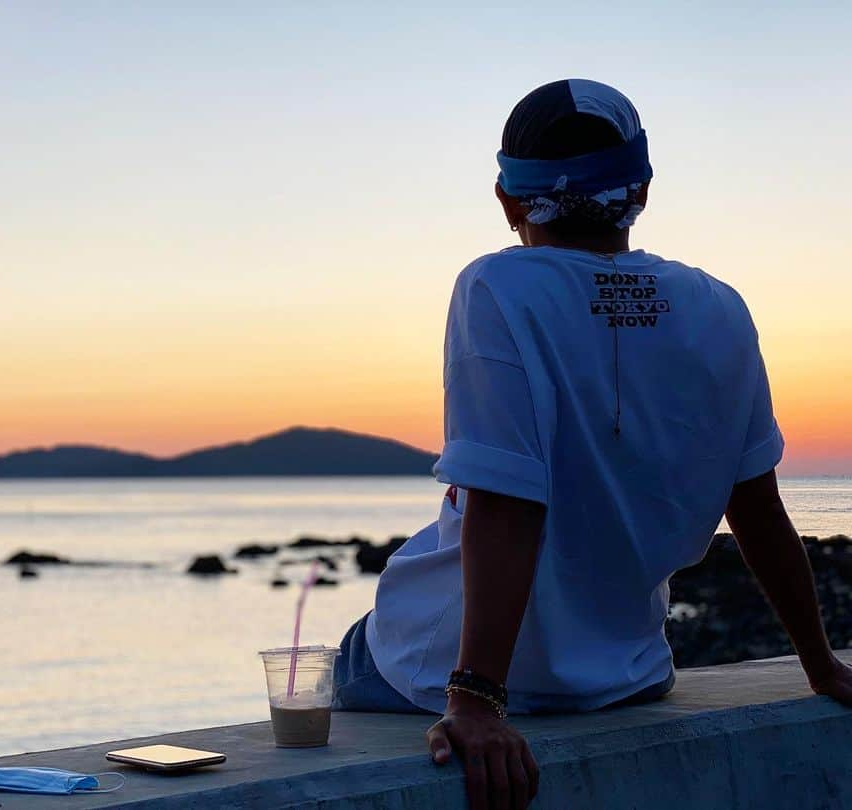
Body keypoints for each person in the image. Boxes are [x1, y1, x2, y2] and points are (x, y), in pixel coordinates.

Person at [331, 79, 852, 810]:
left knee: (335, 673)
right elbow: (758, 506)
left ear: (509, 201)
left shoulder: (499, 286)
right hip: (629, 673)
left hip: (455, 666)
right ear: (641, 187)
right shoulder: (719, 306)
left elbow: (508, 498)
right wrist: (820, 664)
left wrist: (477, 698)